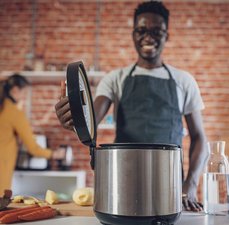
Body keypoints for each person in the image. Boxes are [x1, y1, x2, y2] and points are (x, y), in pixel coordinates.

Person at [55, 1, 208, 211]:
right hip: (123, 182)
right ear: (133, 34)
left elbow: (199, 137)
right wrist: (74, 118)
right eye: (141, 30)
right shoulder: (115, 78)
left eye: (157, 31)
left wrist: (190, 184)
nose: (148, 37)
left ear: (167, 36)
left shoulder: (184, 80)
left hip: (170, 184)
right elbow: (91, 119)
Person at [0, 74, 65, 196]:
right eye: (24, 93)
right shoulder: (14, 112)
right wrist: (54, 154)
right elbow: (33, 148)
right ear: (15, 90)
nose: (24, 97)